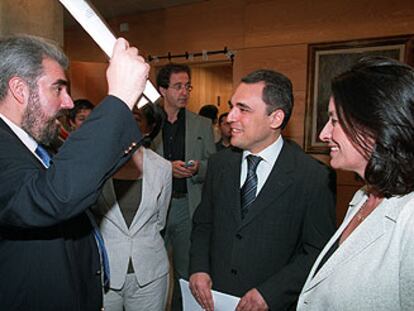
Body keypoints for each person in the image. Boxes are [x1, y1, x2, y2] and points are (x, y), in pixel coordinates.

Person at [0, 34, 149, 310]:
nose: (69, 102)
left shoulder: (41, 144)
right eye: (58, 89)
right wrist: (118, 99)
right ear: (20, 90)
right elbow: (52, 196)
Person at [189, 69, 336, 311]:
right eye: (232, 106)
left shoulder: (313, 177)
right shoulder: (219, 164)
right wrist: (199, 268)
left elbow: (318, 251)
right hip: (216, 299)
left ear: (275, 119)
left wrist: (271, 293)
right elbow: (204, 224)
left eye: (243, 109)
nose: (231, 117)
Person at [297, 57, 414, 310]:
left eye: (335, 121)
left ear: (377, 126)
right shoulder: (363, 196)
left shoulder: (410, 217)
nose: (323, 134)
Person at [93, 102, 172, 311]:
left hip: (150, 271)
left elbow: (160, 220)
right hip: (105, 271)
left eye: (135, 118)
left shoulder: (162, 168)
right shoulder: (96, 164)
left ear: (148, 128)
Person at [152, 63, 216, 310]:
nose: (184, 92)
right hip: (154, 208)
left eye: (187, 86)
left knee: (186, 274)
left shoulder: (201, 124)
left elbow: (214, 166)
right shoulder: (145, 121)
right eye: (178, 86)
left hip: (186, 206)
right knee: (152, 273)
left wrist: (198, 168)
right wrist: (166, 168)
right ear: (162, 90)